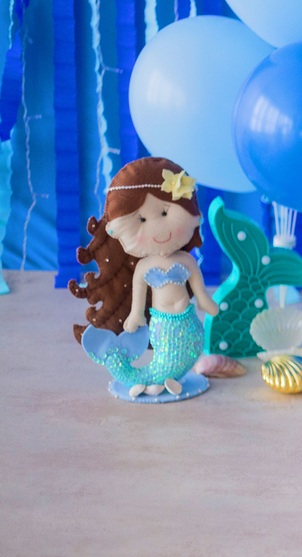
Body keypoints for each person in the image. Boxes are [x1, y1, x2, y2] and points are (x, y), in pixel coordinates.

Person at [73, 157, 219, 399]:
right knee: (165, 357)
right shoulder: (143, 267)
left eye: (164, 212)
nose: (157, 228)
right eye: (141, 220)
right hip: (161, 324)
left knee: (189, 350)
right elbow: (138, 298)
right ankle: (152, 378)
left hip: (189, 323)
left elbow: (199, 289)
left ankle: (166, 378)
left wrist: (205, 301)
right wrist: (136, 315)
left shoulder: (187, 261)